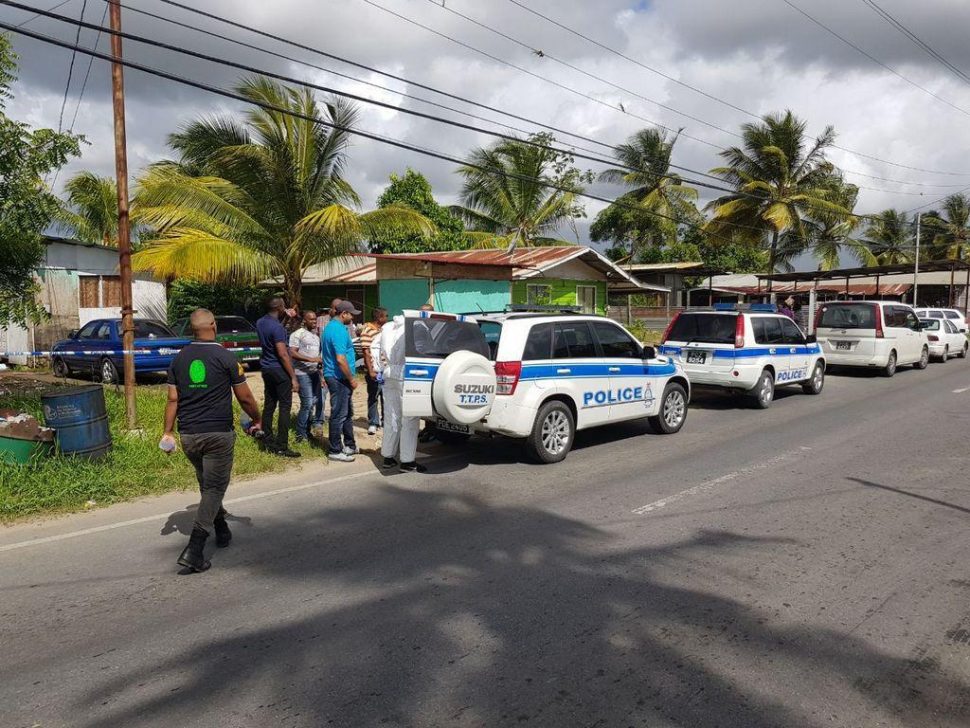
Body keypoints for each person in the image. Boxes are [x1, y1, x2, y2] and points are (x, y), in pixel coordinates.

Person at [161, 308, 263, 573]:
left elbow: (173, 399)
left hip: (189, 435)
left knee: (207, 484)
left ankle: (222, 528)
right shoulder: (226, 357)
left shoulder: (179, 360)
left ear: (192, 329)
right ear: (214, 325)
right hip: (218, 434)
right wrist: (257, 419)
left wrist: (167, 432)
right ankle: (195, 550)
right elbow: (245, 398)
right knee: (215, 488)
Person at [374, 312, 427, 473]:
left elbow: (374, 346)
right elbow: (424, 348)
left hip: (389, 374)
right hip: (407, 374)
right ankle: (407, 461)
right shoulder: (417, 326)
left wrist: (379, 368)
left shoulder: (387, 327)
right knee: (410, 419)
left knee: (391, 416)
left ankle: (388, 457)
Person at [256, 297, 300, 458]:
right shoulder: (277, 327)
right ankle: (282, 445)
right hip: (279, 369)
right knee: (284, 407)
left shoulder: (261, 322)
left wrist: (287, 318)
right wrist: (293, 377)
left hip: (266, 368)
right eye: (283, 306)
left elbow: (274, 332)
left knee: (269, 405)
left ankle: (267, 440)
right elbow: (282, 353)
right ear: (279, 308)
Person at [322, 300, 360, 462]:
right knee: (338, 414)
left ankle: (349, 445)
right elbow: (340, 359)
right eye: (351, 314)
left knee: (346, 413)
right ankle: (335, 449)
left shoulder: (333, 327)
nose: (353, 317)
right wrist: (351, 378)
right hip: (339, 378)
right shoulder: (336, 330)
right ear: (343, 314)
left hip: (339, 377)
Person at [289, 310, 322, 443]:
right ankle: (300, 435)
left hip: (314, 373)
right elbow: (292, 353)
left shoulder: (316, 336)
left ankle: (307, 432)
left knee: (313, 403)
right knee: (307, 404)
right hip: (302, 374)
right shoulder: (298, 334)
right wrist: (311, 359)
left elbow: (318, 357)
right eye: (311, 319)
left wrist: (320, 372)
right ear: (304, 320)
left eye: (315, 319)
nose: (314, 322)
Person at [358, 307, 387, 435]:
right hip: (374, 370)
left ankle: (386, 421)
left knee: (386, 397)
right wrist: (371, 371)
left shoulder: (384, 330)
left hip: (385, 369)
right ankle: (373, 422)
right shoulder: (367, 331)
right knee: (373, 396)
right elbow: (366, 353)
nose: (387, 318)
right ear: (379, 317)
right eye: (385, 316)